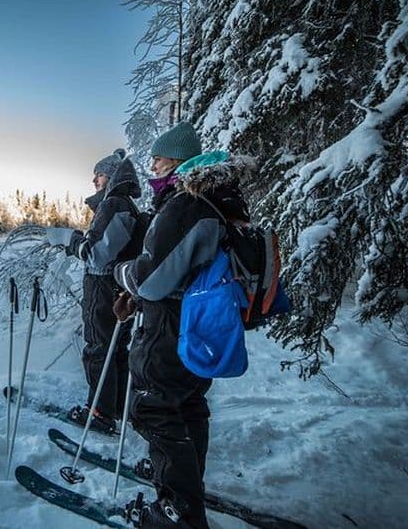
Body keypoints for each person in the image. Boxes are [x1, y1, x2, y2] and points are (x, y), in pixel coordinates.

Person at [113, 122, 252, 529]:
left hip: (171, 326)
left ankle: (177, 511)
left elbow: (153, 277)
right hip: (198, 320)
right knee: (187, 404)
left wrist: (123, 274)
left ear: (176, 161)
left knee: (152, 406)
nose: (151, 165)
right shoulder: (214, 200)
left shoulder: (186, 203)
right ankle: (185, 490)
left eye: (157, 158)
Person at [45, 149, 142, 435]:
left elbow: (96, 254)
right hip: (118, 290)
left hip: (104, 288)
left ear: (111, 176)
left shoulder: (115, 204)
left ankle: (99, 413)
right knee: (115, 349)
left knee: (98, 349)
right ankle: (118, 407)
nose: (94, 181)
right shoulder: (122, 205)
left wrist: (68, 239)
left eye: (98, 175)